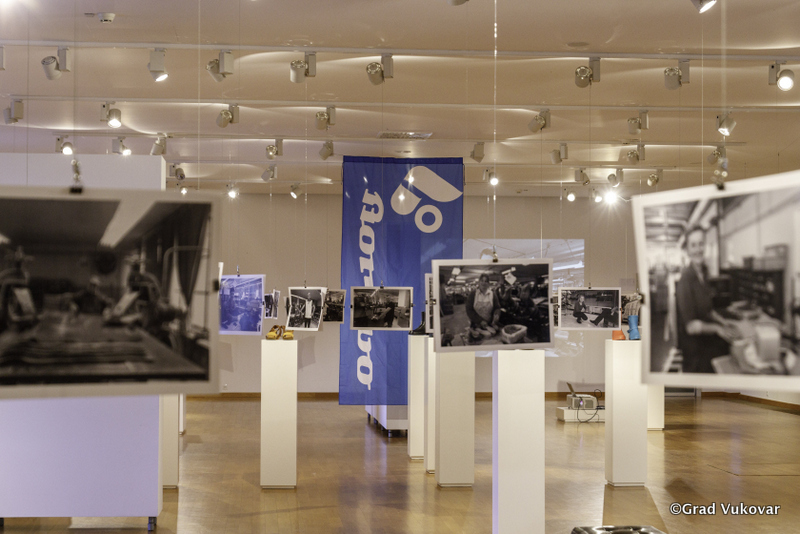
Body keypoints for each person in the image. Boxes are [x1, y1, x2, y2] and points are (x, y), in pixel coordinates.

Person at [675, 225, 735, 373]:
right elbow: (691, 327)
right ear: (687, 250)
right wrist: (718, 329)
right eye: (693, 245)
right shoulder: (686, 280)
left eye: (701, 244)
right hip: (695, 351)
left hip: (706, 340)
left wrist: (723, 321)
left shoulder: (704, 272)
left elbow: (708, 310)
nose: (698, 249)